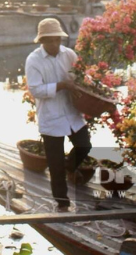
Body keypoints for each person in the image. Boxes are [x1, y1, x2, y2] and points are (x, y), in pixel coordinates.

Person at [25, 18, 91, 212]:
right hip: (50, 115)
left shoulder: (69, 54)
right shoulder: (33, 60)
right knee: (55, 164)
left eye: (57, 40)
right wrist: (62, 85)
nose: (54, 44)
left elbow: (80, 77)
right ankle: (62, 203)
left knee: (84, 144)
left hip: (71, 111)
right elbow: (35, 90)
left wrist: (85, 87)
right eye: (49, 40)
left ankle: (69, 167)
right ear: (42, 41)